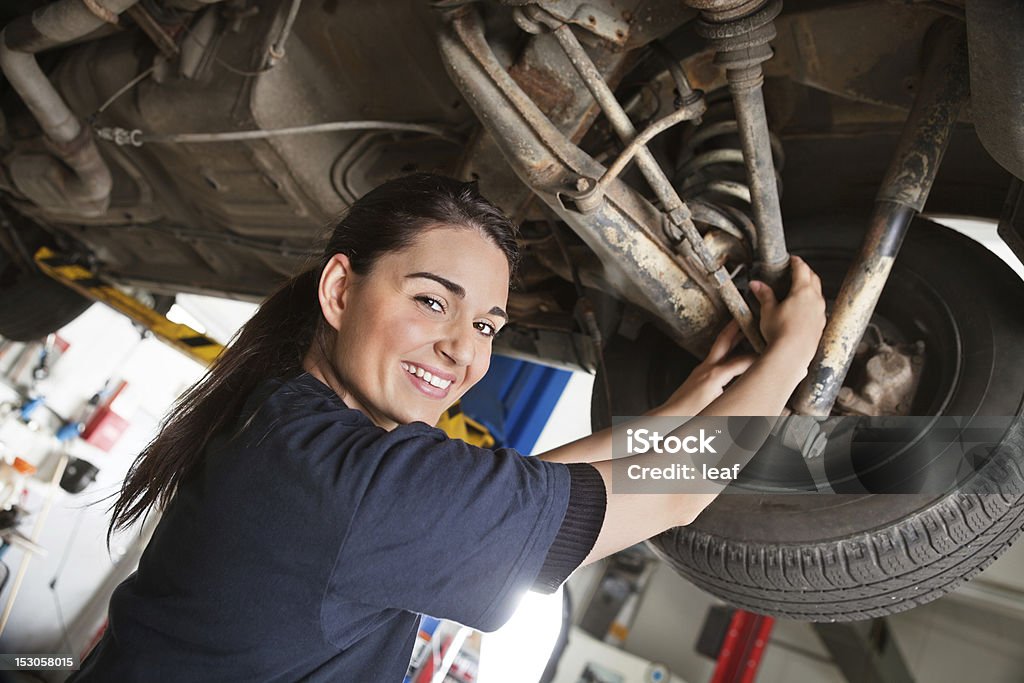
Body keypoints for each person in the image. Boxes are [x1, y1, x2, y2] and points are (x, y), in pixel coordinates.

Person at [69, 173, 825, 682]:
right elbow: (673, 493)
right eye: (433, 301)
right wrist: (790, 354)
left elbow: (536, 490)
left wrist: (678, 407)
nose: (465, 349)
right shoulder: (354, 484)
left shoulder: (283, 420)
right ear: (340, 289)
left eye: (489, 324)